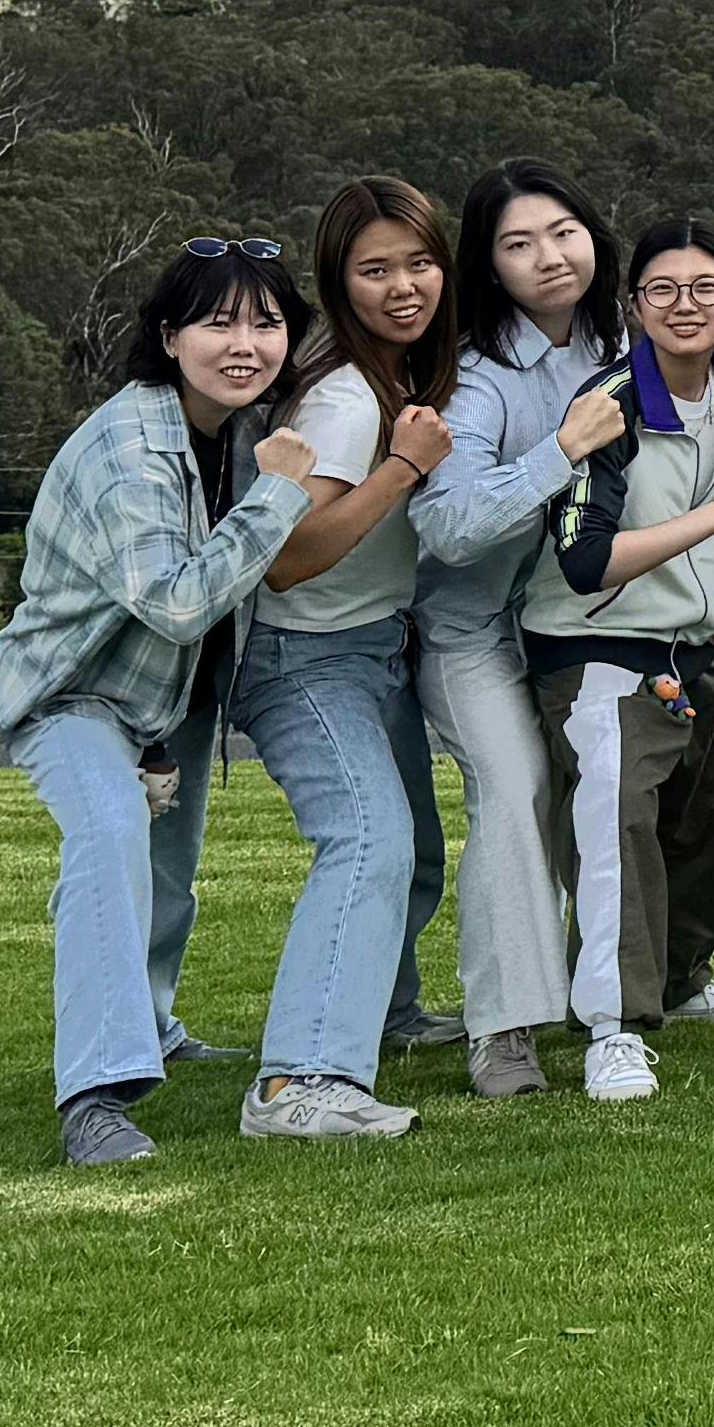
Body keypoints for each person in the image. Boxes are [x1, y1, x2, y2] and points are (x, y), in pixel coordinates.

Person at [0, 239, 404, 1164]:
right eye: (218, 323)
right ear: (169, 336)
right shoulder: (129, 450)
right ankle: (95, 1099)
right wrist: (280, 493)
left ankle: (155, 1026)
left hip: (171, 702)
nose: (244, 345)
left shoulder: (242, 429)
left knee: (166, 877)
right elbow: (174, 603)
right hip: (75, 692)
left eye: (267, 324)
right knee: (109, 842)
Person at [255, 178, 556, 1093]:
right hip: (307, 653)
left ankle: (390, 1013)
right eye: (374, 270)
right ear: (336, 282)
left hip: (381, 640)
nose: (403, 288)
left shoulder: (410, 376)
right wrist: (401, 468)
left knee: (415, 845)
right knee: (374, 839)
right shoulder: (348, 399)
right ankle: (306, 1075)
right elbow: (288, 557)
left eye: (420, 263)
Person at [532, 216, 714, 1102]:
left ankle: (681, 982)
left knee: (701, 822)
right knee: (616, 822)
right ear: (634, 304)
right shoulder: (608, 405)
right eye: (663, 290)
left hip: (690, 642)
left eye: (706, 288)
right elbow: (585, 559)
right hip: (597, 645)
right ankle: (612, 1025)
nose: (685, 305)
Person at [404, 160, 626, 1102]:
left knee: (626, 787)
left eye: (564, 232)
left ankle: (656, 984)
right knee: (515, 790)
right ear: (487, 266)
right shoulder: (477, 376)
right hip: (471, 634)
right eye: (518, 243)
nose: (550, 256)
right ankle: (503, 1029)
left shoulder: (617, 341)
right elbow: (448, 526)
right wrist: (561, 449)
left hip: (579, 625)